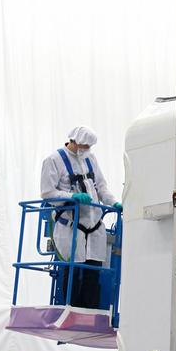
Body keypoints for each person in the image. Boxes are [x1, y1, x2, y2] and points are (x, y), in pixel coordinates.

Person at [40, 126, 121, 309]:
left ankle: (90, 312)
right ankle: (71, 309)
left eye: (89, 146)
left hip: (93, 224)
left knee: (94, 269)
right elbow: (47, 192)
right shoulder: (53, 160)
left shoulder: (90, 159)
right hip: (71, 224)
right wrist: (71, 197)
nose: (87, 149)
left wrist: (113, 202)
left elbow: (101, 186)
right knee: (74, 268)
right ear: (74, 141)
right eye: (84, 145)